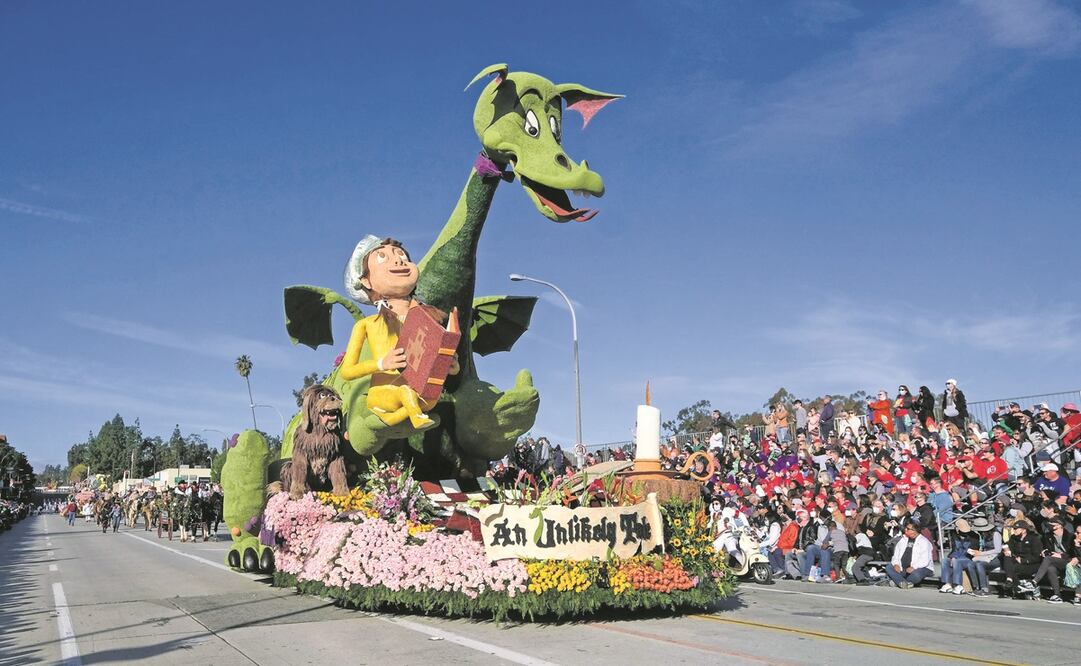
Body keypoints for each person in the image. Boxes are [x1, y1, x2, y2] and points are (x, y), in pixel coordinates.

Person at [340, 236, 460, 430]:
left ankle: (397, 417)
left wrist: (450, 364)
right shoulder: (367, 324)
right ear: (366, 281)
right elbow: (347, 371)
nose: (398, 260)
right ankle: (401, 414)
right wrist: (382, 363)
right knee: (405, 392)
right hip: (384, 393)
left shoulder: (426, 319)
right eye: (382, 257)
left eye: (402, 255)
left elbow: (438, 361)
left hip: (423, 394)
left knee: (426, 397)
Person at [1030, 520, 1070, 603]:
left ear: (1059, 525)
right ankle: (1057, 595)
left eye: (1053, 524)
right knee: (1050, 568)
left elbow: (1073, 553)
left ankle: (1034, 581)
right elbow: (1048, 549)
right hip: (1055, 561)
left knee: (1048, 559)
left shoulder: (1070, 536)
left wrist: (1061, 555)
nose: (1050, 525)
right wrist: (1044, 551)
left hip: (1068, 561)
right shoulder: (1048, 536)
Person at [885, 522, 933, 588]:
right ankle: (904, 583)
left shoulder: (924, 542)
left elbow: (925, 560)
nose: (905, 530)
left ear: (914, 531)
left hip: (920, 568)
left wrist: (914, 567)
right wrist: (896, 564)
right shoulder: (903, 540)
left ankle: (898, 581)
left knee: (916, 575)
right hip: (903, 568)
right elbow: (895, 555)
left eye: (908, 529)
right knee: (889, 567)